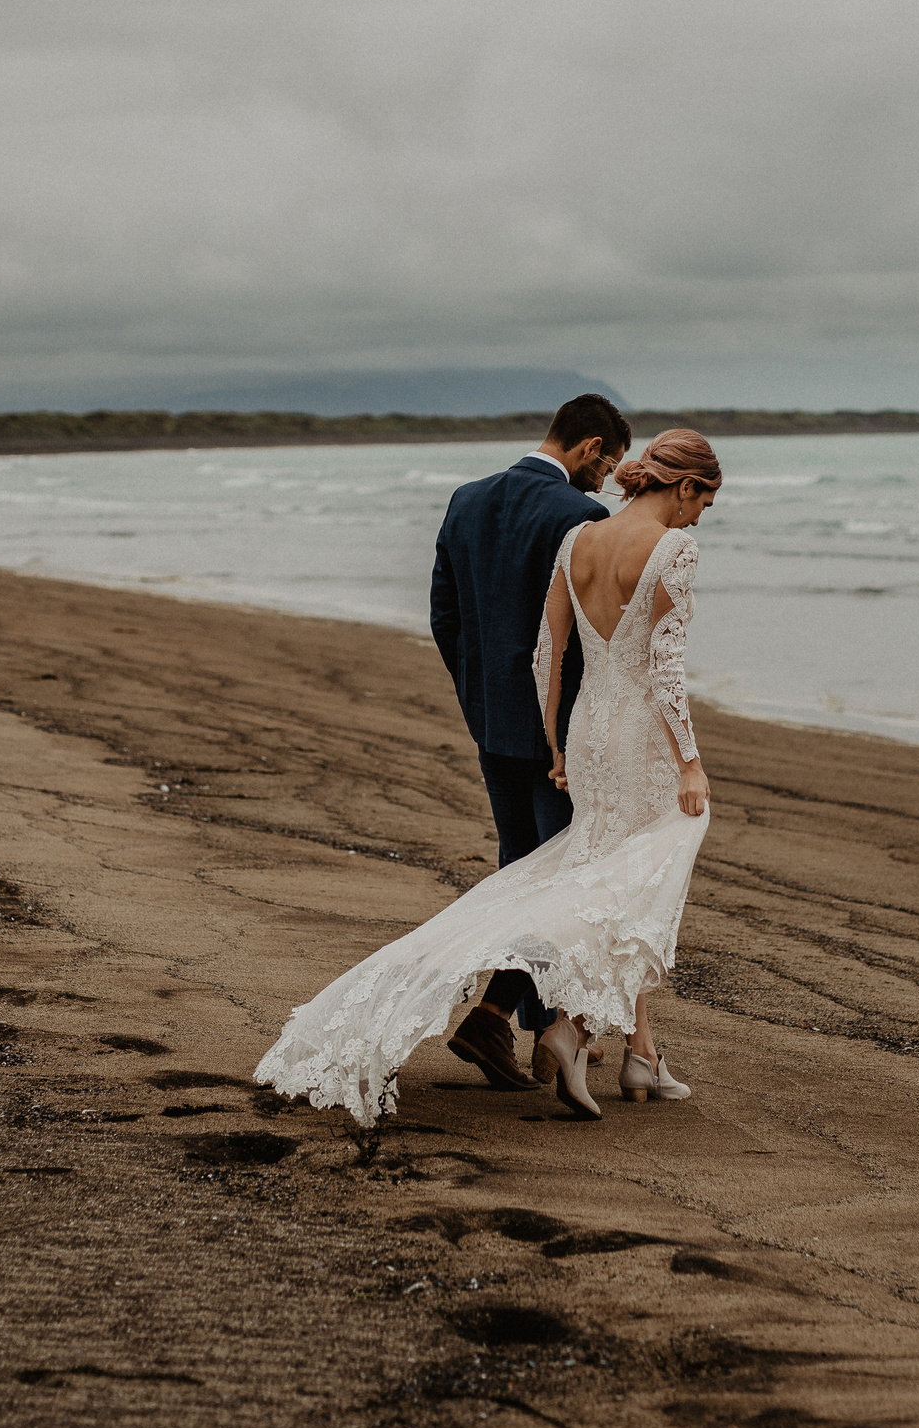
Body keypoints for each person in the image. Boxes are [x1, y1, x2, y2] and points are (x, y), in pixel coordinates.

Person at [254, 428, 724, 1123]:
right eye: (703, 502)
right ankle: (569, 1030)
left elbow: (546, 653)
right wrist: (691, 762)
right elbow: (666, 670)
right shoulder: (673, 549)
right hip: (640, 737)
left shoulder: (580, 539)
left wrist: (556, 746)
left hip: (586, 731)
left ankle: (641, 1055)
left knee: (603, 878)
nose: (699, 518)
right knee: (634, 878)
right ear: (684, 486)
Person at [430, 394, 632, 1092]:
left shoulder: (465, 501)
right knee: (561, 877)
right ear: (589, 447)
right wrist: (584, 728)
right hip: (557, 736)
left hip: (492, 723)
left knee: (523, 866)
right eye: (609, 464)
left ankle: (542, 1024)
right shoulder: (580, 517)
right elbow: (591, 643)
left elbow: (446, 617)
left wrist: (481, 699)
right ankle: (498, 1017)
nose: (607, 479)